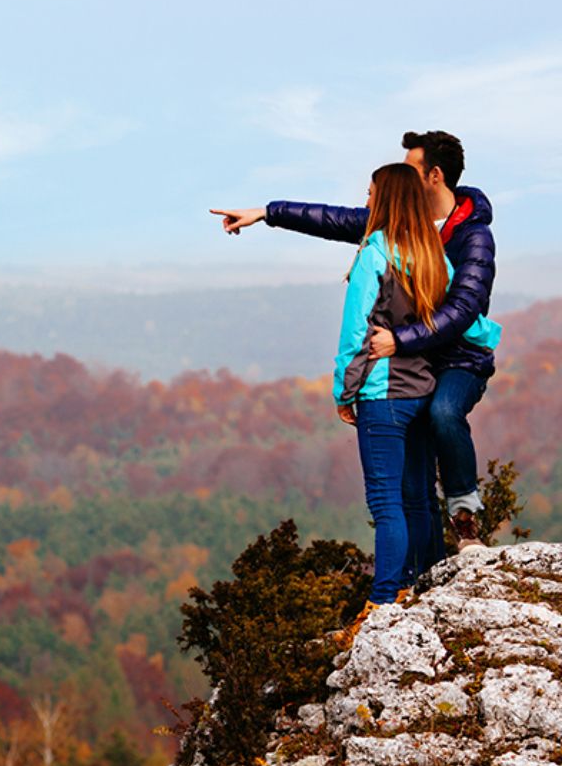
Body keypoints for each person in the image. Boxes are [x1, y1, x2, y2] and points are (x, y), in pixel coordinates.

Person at [211, 131, 496, 554]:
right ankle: (427, 569)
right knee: (412, 480)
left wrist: (399, 340)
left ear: (435, 176)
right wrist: (265, 213)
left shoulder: (473, 236)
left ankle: (464, 512)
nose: (400, 174)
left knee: (444, 412)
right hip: (412, 360)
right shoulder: (399, 222)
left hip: (457, 356)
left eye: (410, 169)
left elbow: (462, 311)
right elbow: (330, 219)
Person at [333, 164, 499, 627]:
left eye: (369, 193)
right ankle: (422, 582)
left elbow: (355, 333)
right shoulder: (432, 254)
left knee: (386, 502)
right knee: (418, 498)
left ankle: (385, 600)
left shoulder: (374, 254)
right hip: (423, 390)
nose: (365, 201)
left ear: (385, 199)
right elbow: (459, 313)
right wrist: (488, 335)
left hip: (381, 393)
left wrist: (343, 392)